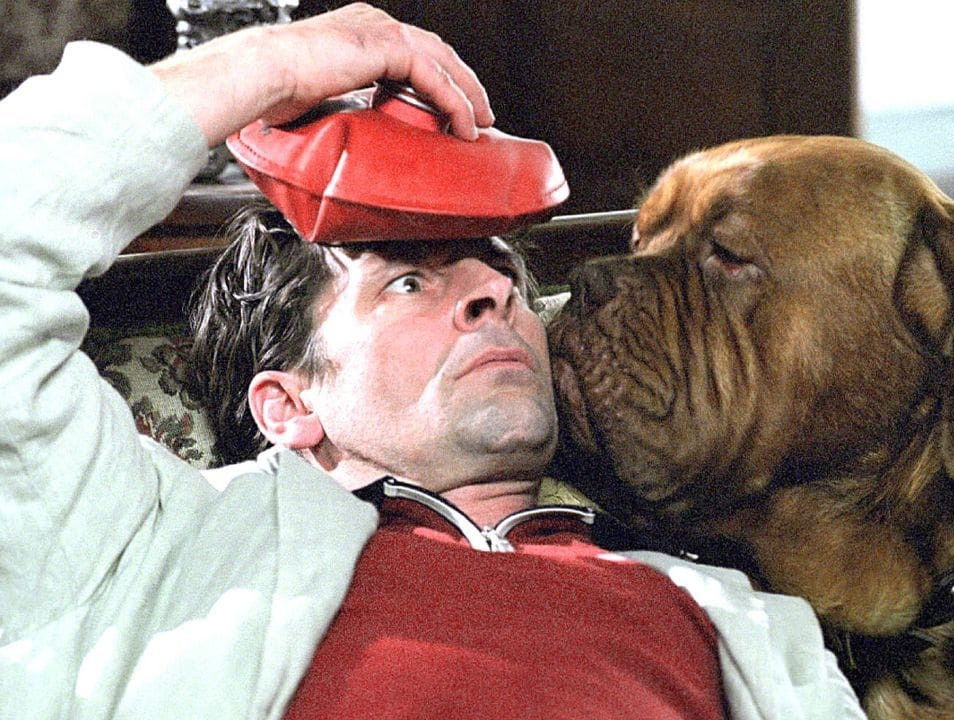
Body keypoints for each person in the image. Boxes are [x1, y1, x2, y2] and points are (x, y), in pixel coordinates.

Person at [0, 4, 865, 718]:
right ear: (288, 405)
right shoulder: (147, 541)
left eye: (503, 271)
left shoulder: (740, 620)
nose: (494, 292)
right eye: (409, 281)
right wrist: (279, 60)